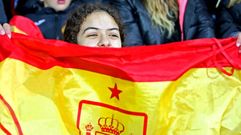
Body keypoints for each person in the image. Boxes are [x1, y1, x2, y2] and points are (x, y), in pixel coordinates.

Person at [0, 3, 124, 48]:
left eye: (113, 34)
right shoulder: (26, 21)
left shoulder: (138, 83)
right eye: (92, 35)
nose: (105, 42)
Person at [111, 0, 215, 46]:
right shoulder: (126, 2)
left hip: (187, 75)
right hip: (155, 79)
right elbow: (133, 47)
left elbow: (205, 29)